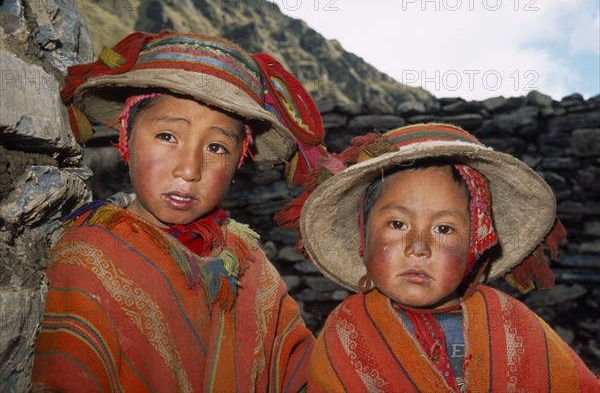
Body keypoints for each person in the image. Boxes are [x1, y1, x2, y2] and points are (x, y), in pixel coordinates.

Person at [31, 30, 326, 392]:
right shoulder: (90, 258)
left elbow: (303, 373)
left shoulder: (249, 263)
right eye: (167, 136)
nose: (189, 169)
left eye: (217, 147)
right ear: (126, 136)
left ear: (238, 163)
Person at [299, 123, 600, 392]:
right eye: (397, 224)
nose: (419, 247)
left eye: (444, 228)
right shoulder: (348, 334)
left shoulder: (513, 326)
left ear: (476, 243)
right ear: (363, 236)